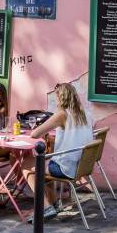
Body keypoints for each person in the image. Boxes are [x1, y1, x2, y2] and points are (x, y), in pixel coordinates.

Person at [21, 82, 93, 221]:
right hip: (81, 166)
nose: (56, 101)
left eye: (57, 98)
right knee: (45, 164)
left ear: (61, 98)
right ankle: (55, 204)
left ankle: (46, 207)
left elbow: (35, 134)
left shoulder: (62, 115)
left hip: (65, 168)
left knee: (26, 166)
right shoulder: (85, 114)